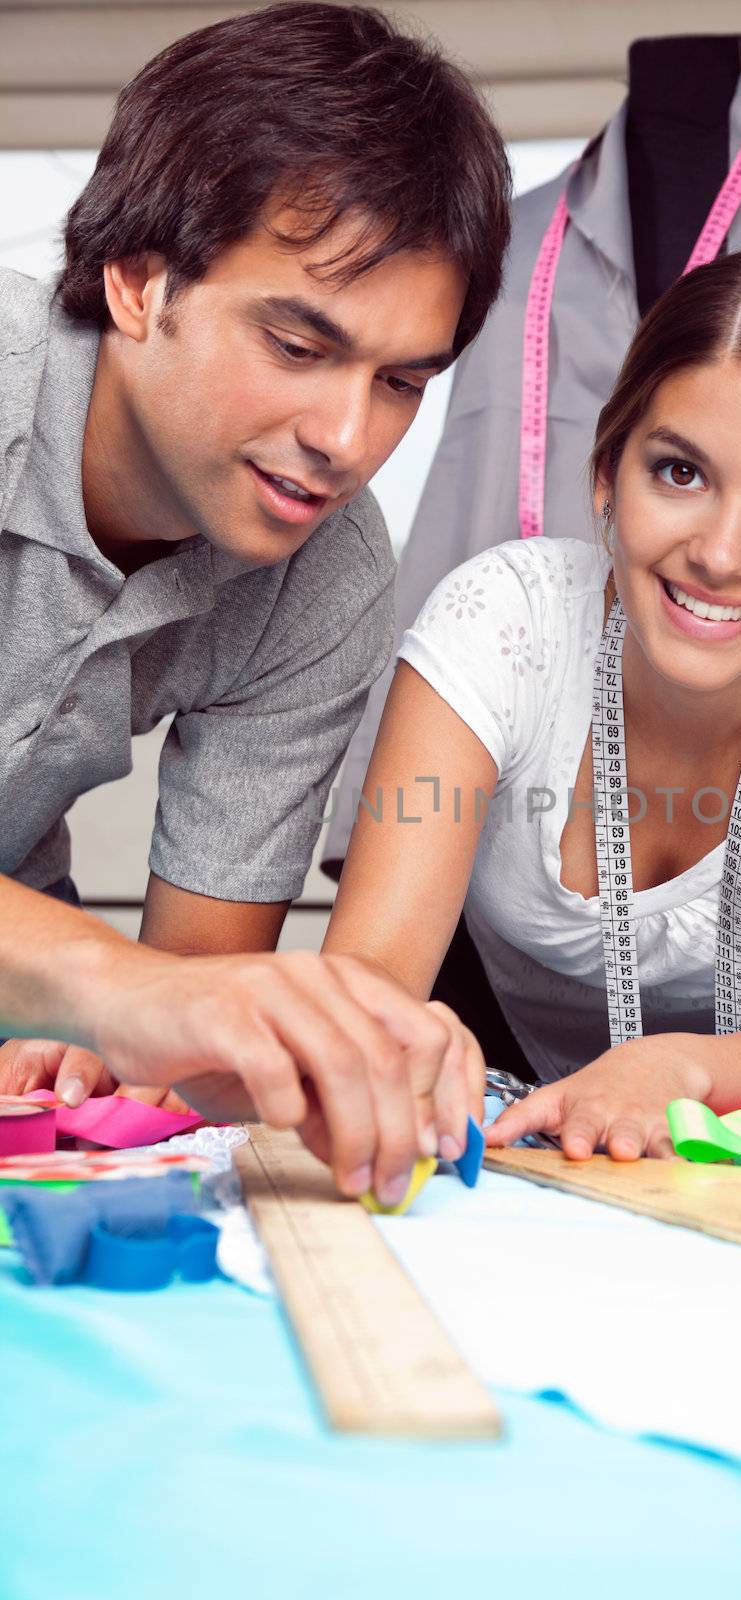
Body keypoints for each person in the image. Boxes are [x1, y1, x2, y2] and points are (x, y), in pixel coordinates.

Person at [0, 2, 510, 1204]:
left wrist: (335, 1040)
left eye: (400, 382)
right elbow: (153, 996)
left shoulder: (329, 571)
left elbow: (190, 1003)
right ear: (135, 279)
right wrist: (126, 992)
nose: (343, 440)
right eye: (295, 344)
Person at [323, 250, 741, 1160]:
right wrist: (396, 1051)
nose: (719, 553)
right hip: (505, 1136)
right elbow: (368, 981)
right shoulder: (502, 619)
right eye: (680, 474)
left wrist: (680, 1075)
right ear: (606, 473)